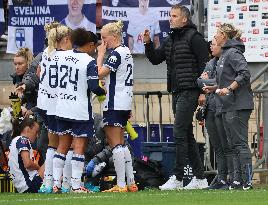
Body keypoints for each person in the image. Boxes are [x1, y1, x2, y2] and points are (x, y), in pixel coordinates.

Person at [143, 5, 208, 190]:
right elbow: (156, 58)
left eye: (174, 16)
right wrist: (148, 43)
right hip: (177, 91)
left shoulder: (195, 38)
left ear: (184, 19)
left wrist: (203, 91)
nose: (170, 19)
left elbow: (205, 66)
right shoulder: (171, 39)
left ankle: (178, 177)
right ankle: (200, 178)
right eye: (170, 15)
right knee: (186, 134)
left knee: (179, 132)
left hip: (191, 90)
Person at [52, 28, 105, 193]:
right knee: (78, 148)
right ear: (89, 45)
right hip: (80, 110)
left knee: (62, 146)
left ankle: (55, 184)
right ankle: (76, 186)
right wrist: (103, 92)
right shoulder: (88, 61)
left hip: (61, 107)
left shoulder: (60, 56)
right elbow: (94, 86)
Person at [205, 23, 254, 190]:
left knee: (240, 144)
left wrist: (229, 88)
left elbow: (244, 74)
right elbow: (225, 79)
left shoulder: (233, 53)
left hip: (238, 105)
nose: (215, 37)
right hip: (227, 105)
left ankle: (247, 181)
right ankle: (237, 180)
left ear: (224, 36)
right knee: (232, 145)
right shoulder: (224, 54)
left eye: (217, 34)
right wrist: (215, 87)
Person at [96, 21, 138, 192]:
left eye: (104, 38)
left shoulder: (116, 54)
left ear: (113, 37)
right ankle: (131, 182)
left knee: (115, 144)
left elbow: (99, 73)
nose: (102, 42)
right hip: (124, 101)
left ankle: (120, 184)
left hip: (114, 102)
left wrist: (99, 55)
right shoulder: (127, 51)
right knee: (121, 142)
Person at [37, 23, 73, 194]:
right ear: (65, 39)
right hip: (62, 103)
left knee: (52, 144)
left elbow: (38, 74)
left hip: (45, 102)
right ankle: (65, 183)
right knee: (68, 144)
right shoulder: (68, 55)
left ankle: (48, 183)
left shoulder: (46, 53)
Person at [198, 39, 234, 189]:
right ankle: (221, 178)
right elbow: (200, 81)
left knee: (227, 146)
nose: (211, 46)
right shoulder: (211, 62)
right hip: (210, 108)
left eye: (215, 44)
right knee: (217, 147)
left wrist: (208, 81)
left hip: (224, 107)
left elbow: (225, 82)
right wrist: (206, 81)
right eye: (211, 44)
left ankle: (232, 178)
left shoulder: (228, 61)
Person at [8, 115, 44, 193]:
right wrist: (39, 168)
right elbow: (28, 164)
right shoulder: (23, 140)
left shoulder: (15, 140)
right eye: (36, 132)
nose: (37, 136)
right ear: (28, 129)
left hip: (23, 186)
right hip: (29, 184)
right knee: (51, 158)